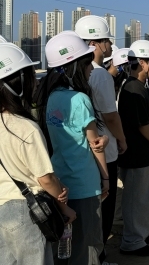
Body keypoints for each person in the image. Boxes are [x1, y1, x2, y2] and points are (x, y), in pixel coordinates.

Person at [0, 43, 76, 265]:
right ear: (19, 81)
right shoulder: (24, 127)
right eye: (31, 74)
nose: (35, 80)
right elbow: (45, 178)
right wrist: (63, 200)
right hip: (25, 212)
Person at [41, 31, 109, 264]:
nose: (91, 68)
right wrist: (106, 178)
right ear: (73, 67)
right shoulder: (79, 99)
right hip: (85, 184)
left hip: (61, 185)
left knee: (66, 249)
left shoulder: (50, 98)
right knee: (88, 247)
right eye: (87, 63)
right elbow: (95, 145)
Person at [75, 15, 127, 264]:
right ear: (95, 43)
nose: (109, 46)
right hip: (104, 150)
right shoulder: (102, 75)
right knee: (103, 212)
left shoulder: (79, 74)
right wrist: (122, 139)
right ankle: (100, 257)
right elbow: (111, 116)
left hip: (85, 151)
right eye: (106, 40)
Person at [117, 40, 149, 257]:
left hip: (145, 151)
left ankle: (140, 234)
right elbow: (140, 124)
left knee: (145, 197)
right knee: (135, 198)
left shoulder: (143, 87)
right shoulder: (132, 87)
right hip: (135, 153)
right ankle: (132, 240)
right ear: (143, 63)